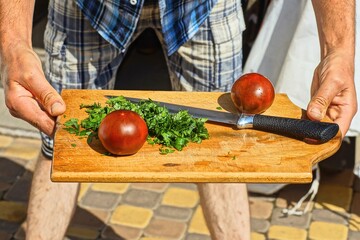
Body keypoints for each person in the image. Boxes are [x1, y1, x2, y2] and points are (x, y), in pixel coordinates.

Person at [0, 0, 356, 239]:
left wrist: (338, 51)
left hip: (202, 6)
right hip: (93, 5)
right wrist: (16, 44)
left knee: (223, 157)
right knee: (61, 142)